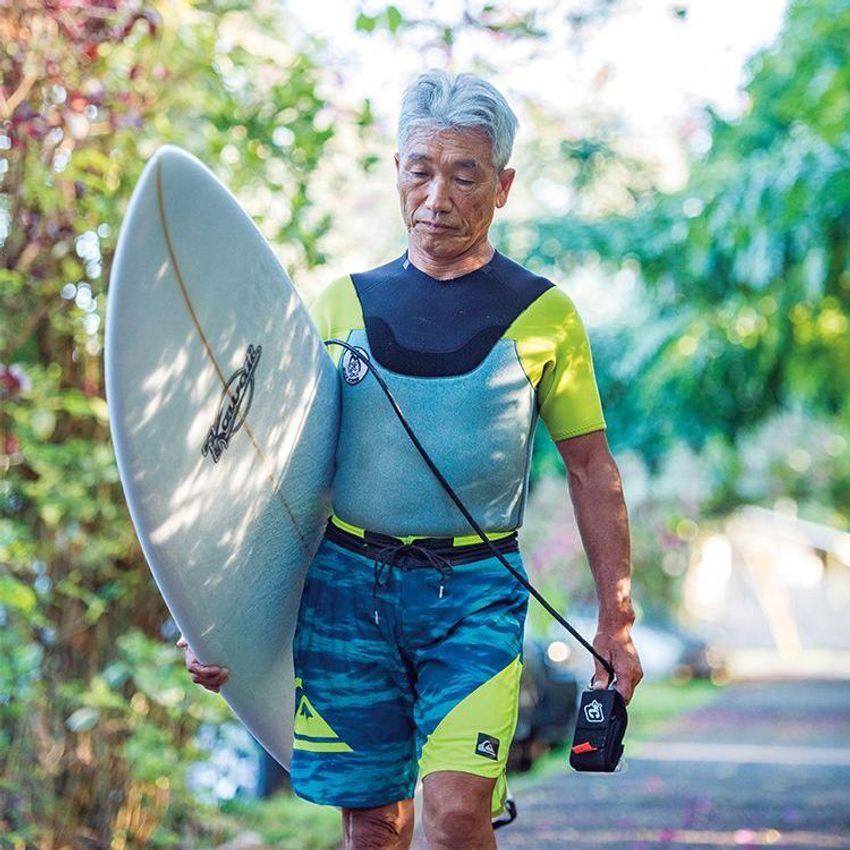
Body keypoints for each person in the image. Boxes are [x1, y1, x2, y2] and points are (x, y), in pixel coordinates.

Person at [179, 69, 642, 850]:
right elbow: (271, 473)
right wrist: (210, 614)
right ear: (396, 172)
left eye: (464, 175)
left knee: (457, 813)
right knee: (372, 826)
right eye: (420, 171)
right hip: (347, 588)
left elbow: (593, 472)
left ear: (502, 186)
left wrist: (616, 621)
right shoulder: (338, 307)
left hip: (475, 592)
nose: (438, 197)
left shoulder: (545, 315)